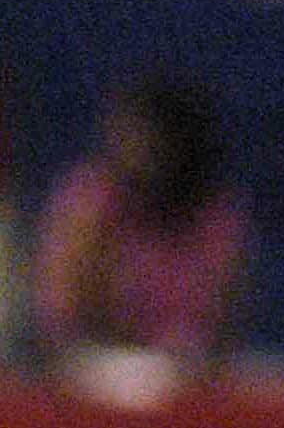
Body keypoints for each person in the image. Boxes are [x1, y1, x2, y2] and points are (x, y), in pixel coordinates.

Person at [32, 71, 249, 407]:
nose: (129, 149)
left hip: (189, 377)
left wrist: (186, 364)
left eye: (142, 138)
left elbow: (224, 321)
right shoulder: (91, 201)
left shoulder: (213, 214)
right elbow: (63, 316)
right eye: (122, 136)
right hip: (95, 374)